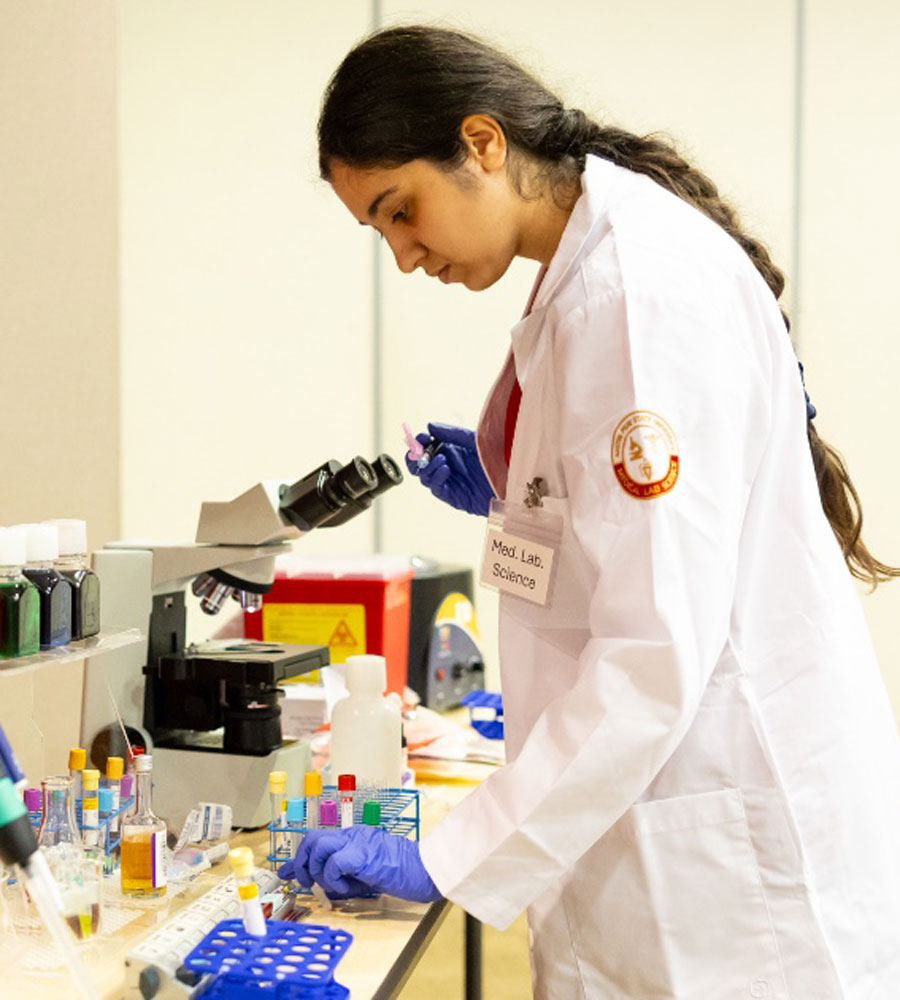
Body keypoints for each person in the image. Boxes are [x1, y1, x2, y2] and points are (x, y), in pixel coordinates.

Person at [277, 25, 900, 998]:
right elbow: (641, 534)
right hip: (671, 843)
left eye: (404, 211)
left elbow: (651, 651)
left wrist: (449, 853)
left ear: (482, 143)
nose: (404, 255)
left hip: (728, 871)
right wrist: (524, 493)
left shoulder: (632, 294)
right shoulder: (596, 268)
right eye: (380, 231)